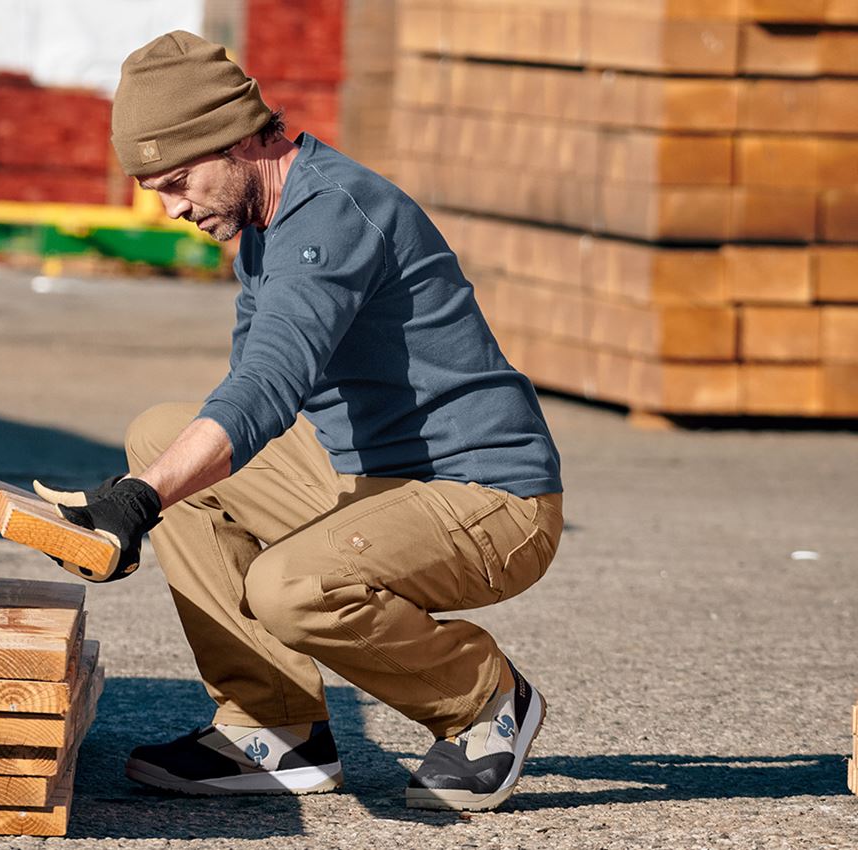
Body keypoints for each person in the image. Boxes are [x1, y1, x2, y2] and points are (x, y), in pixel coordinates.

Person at [35, 30, 563, 812]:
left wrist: (140, 502)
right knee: (161, 434)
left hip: (489, 500)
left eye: (179, 181)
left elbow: (269, 385)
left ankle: (484, 701)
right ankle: (275, 727)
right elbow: (251, 396)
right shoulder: (265, 230)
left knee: (291, 585)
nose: (174, 208)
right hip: (375, 481)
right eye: (156, 191)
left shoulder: (331, 214)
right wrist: (139, 488)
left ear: (239, 139)